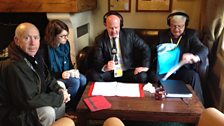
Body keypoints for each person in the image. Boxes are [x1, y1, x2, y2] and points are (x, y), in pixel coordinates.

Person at [0, 22, 71, 126]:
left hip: (31, 99)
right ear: (17, 40)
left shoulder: (34, 53)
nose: (33, 43)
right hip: (13, 113)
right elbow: (28, 99)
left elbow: (48, 77)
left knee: (61, 86)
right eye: (27, 38)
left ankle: (57, 122)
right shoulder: (12, 65)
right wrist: (60, 97)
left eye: (36, 38)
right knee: (47, 112)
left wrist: (59, 90)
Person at [157, 10, 209, 103]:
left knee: (193, 76)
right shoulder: (162, 34)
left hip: (182, 70)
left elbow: (203, 49)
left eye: (180, 26)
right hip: (165, 69)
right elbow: (153, 51)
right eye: (174, 26)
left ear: (185, 25)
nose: (177, 29)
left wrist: (194, 57)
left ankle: (200, 107)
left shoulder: (191, 35)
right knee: (154, 77)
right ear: (169, 24)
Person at [89, 11, 151, 83]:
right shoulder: (99, 39)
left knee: (142, 76)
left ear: (120, 25)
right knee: (93, 74)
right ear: (105, 25)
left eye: (116, 27)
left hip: (127, 71)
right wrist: (105, 67)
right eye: (111, 28)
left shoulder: (129, 35)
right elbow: (97, 59)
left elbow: (145, 48)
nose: (114, 31)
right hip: (110, 73)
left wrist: (145, 67)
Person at [42, 19, 87, 112]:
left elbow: (69, 62)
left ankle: (77, 104)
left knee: (83, 79)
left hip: (64, 73)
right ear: (53, 36)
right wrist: (61, 74)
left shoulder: (65, 44)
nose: (66, 38)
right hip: (54, 77)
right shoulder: (44, 48)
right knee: (74, 82)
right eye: (62, 36)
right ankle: (67, 108)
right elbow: (45, 72)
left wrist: (73, 70)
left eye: (66, 35)